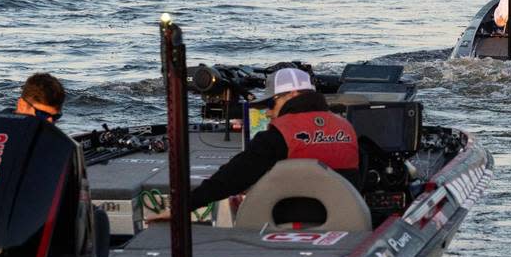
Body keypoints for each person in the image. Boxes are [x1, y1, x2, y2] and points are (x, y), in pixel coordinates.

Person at [150, 67, 361, 219]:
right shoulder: (347, 127)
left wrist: (181, 207)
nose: (268, 111)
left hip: (292, 224)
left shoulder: (280, 134)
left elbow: (232, 178)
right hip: (345, 220)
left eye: (272, 102)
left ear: (293, 95)